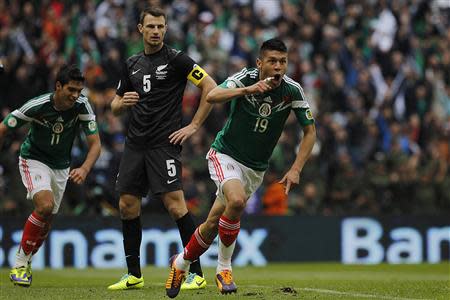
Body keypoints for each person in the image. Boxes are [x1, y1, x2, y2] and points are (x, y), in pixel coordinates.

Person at [165, 38, 317, 298]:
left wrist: (296, 169)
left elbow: (310, 131)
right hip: (225, 155)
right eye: (272, 61)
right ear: (260, 63)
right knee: (236, 202)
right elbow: (212, 95)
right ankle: (224, 269)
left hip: (255, 169)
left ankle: (180, 263)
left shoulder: (292, 90)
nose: (278, 66)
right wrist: (248, 90)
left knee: (213, 222)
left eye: (282, 61)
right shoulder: (246, 78)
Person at [107, 7, 217, 291]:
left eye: (161, 26)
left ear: (165, 29)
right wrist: (123, 103)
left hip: (163, 144)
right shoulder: (131, 63)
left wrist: (193, 125)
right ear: (140, 29)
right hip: (135, 144)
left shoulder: (178, 60)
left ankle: (196, 272)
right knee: (126, 205)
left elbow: (210, 86)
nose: (156, 31)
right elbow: (114, 105)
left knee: (175, 205)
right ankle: (134, 274)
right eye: (151, 26)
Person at [0, 65, 101, 287]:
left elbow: (95, 144)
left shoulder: (82, 105)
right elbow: (3, 128)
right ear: (58, 86)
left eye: (79, 90)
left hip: (61, 167)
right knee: (44, 206)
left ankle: (27, 260)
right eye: (71, 90)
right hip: (34, 159)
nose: (75, 95)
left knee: (46, 224)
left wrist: (84, 168)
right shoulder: (38, 105)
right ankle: (19, 264)